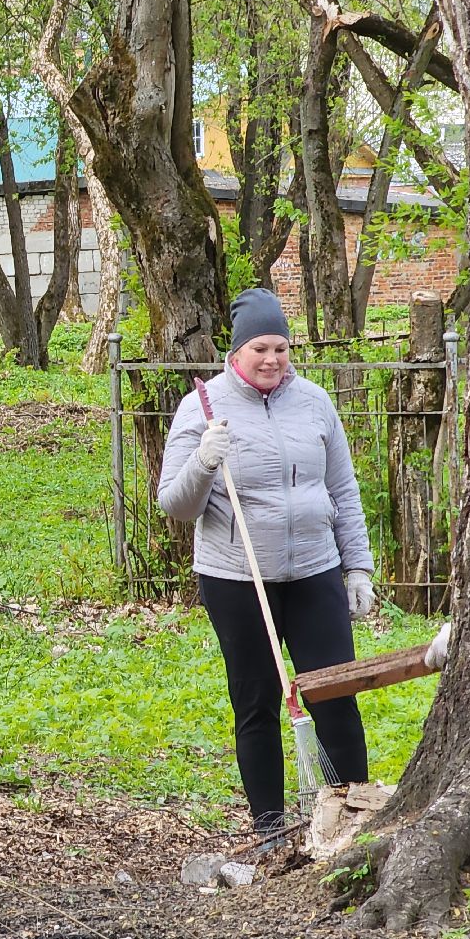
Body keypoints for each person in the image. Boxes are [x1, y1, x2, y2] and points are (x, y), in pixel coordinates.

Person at [157, 287, 375, 834]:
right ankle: (270, 825)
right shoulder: (202, 406)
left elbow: (343, 490)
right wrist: (205, 461)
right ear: (237, 352)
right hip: (237, 578)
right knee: (256, 701)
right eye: (260, 348)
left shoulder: (315, 402)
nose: (273, 359)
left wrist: (358, 568)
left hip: (314, 571)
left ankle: (351, 815)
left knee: (335, 694)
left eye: (280, 347)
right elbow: (175, 506)